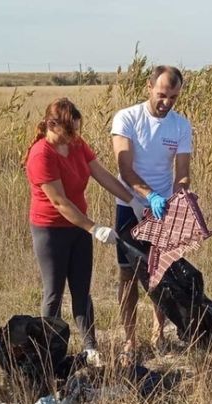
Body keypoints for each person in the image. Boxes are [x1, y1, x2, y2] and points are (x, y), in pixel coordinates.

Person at [24, 98, 147, 366]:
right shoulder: (41, 154)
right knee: (54, 291)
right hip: (50, 230)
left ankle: (91, 348)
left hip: (78, 229)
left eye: (76, 131)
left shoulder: (77, 145)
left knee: (82, 289)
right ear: (51, 124)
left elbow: (102, 175)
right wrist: (94, 228)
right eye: (68, 132)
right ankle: (47, 351)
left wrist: (131, 199)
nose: (73, 137)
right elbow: (59, 202)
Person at [111, 65, 193, 358]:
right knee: (128, 276)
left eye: (173, 97)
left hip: (162, 210)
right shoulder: (127, 118)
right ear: (149, 87)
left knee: (162, 274)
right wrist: (149, 197)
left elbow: (182, 173)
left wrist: (177, 198)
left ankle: (159, 332)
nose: (166, 102)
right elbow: (125, 168)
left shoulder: (181, 126)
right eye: (162, 95)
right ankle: (130, 340)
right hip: (130, 205)